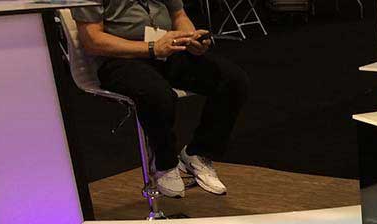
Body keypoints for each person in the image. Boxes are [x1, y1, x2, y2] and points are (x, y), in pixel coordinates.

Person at [73, 0, 249, 198]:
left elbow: (179, 15)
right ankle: (164, 163)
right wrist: (151, 48)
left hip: (165, 50)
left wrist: (190, 38)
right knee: (157, 94)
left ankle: (199, 153)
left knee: (232, 80)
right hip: (119, 58)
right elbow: (92, 40)